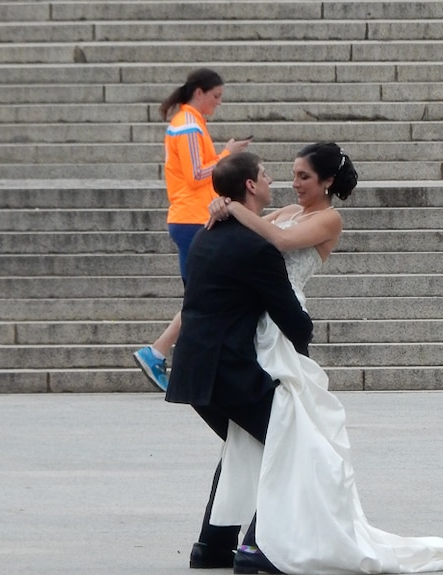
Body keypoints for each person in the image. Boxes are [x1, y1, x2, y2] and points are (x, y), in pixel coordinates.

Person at [205, 143, 443, 574]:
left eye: (303, 176)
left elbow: (279, 241)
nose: (295, 183)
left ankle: (248, 541)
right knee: (259, 434)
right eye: (292, 174)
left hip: (281, 328)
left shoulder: (328, 219)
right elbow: (254, 241)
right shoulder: (284, 209)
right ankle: (225, 540)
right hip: (254, 325)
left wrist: (232, 208)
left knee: (288, 435)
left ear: (327, 182)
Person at [165, 151, 314, 571]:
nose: (273, 181)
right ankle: (255, 547)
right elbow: (293, 323)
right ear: (250, 185)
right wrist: (302, 345)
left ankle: (212, 546)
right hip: (227, 372)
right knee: (290, 444)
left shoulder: (206, 234)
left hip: (194, 372)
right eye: (266, 175)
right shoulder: (256, 248)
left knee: (243, 444)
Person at [133, 67, 250, 392]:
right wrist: (228, 155)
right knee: (202, 295)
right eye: (215, 96)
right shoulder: (186, 126)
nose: (218, 103)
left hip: (194, 216)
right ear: (199, 92)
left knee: (203, 294)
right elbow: (197, 174)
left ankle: (162, 353)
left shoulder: (190, 123)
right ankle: (159, 352)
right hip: (191, 218)